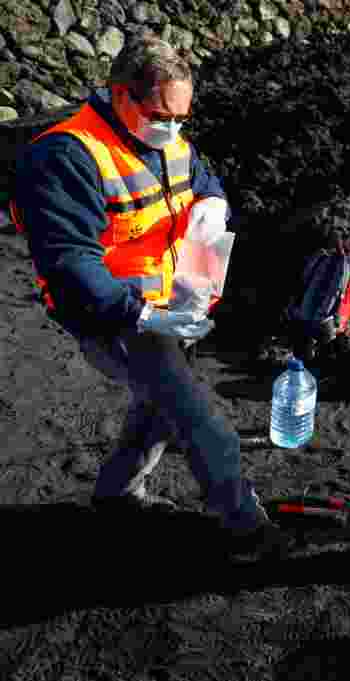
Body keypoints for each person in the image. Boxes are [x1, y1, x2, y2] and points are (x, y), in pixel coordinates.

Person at [10, 34, 291, 557]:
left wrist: (211, 208)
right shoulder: (65, 157)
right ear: (120, 96)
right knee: (198, 416)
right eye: (164, 115)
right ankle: (244, 524)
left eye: (183, 118)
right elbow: (71, 265)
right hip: (111, 316)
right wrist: (144, 316)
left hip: (172, 306)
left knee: (159, 404)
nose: (174, 129)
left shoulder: (167, 141)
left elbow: (203, 181)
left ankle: (118, 493)